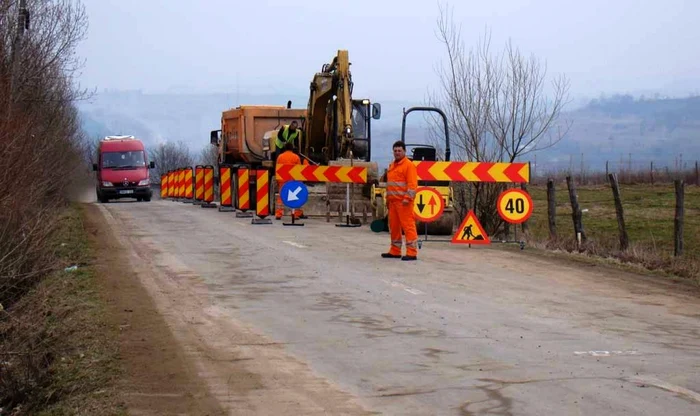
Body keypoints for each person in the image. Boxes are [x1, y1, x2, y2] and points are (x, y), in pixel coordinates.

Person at [381, 140, 419, 261]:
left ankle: (412, 252)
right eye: (395, 151)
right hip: (393, 203)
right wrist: (388, 200)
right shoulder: (392, 166)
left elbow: (412, 184)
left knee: (408, 227)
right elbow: (390, 185)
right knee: (394, 227)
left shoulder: (409, 165)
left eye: (399, 151)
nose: (397, 153)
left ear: (404, 152)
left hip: (404, 203)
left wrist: (407, 199)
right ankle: (395, 250)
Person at [275, 141, 307, 220]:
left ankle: (278, 214)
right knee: (296, 196)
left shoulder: (280, 157)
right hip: (293, 181)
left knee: (281, 197)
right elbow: (298, 170)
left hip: (282, 180)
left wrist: (277, 180)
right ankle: (296, 214)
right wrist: (300, 182)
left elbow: (277, 169)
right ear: (292, 148)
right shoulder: (296, 157)